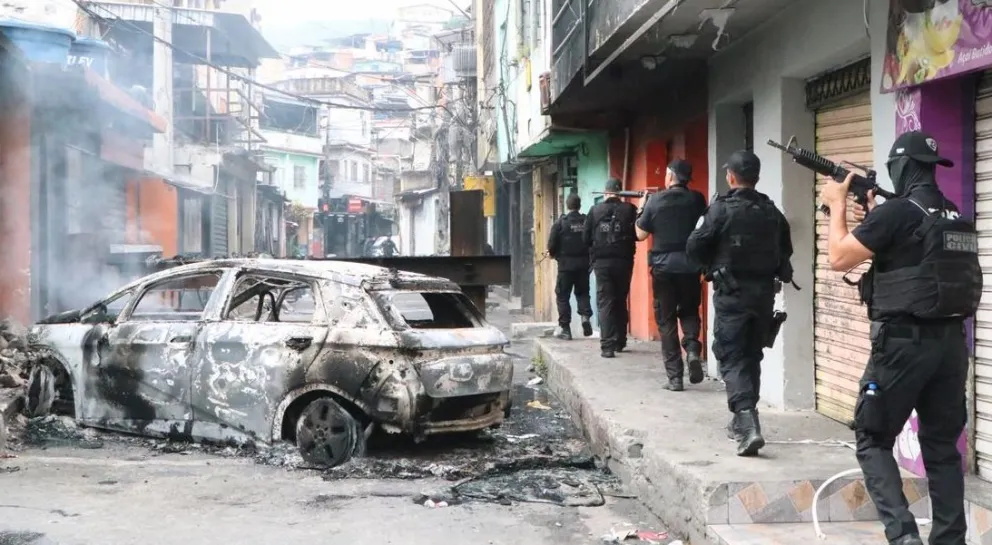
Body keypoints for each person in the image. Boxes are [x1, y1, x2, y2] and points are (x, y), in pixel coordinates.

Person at [821, 130, 981, 545]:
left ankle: (904, 536)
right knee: (943, 447)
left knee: (873, 439)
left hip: (902, 347)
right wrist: (874, 212)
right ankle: (949, 539)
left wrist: (837, 203)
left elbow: (839, 257)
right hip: (949, 346)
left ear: (900, 167)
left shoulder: (895, 214)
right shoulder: (950, 212)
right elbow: (907, 254)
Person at [686, 150, 794, 457]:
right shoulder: (772, 212)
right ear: (756, 177)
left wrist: (710, 265)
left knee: (731, 356)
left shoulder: (720, 209)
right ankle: (741, 420)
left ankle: (747, 423)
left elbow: (694, 246)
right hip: (763, 296)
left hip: (732, 295)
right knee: (751, 355)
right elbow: (786, 251)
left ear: (730, 176)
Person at [635, 159, 707, 391]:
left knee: (666, 322)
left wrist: (641, 208)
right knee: (689, 311)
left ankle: (675, 378)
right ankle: (693, 349)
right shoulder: (697, 199)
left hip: (663, 269)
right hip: (690, 266)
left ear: (669, 176)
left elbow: (640, 235)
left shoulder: (655, 202)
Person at [584, 178, 638, 358]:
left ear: (606, 192)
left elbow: (585, 238)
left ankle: (607, 346)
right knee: (620, 300)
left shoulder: (595, 210)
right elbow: (637, 235)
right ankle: (620, 341)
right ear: (620, 191)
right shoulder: (630, 210)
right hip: (624, 262)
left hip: (602, 264)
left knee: (605, 301)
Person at [547, 193, 593, 340]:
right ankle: (585, 317)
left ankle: (566, 329)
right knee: (583, 293)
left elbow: (552, 245)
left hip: (565, 267)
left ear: (567, 206)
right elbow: (592, 242)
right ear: (579, 206)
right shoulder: (586, 221)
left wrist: (552, 254)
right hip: (583, 266)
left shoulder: (560, 223)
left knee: (562, 296)